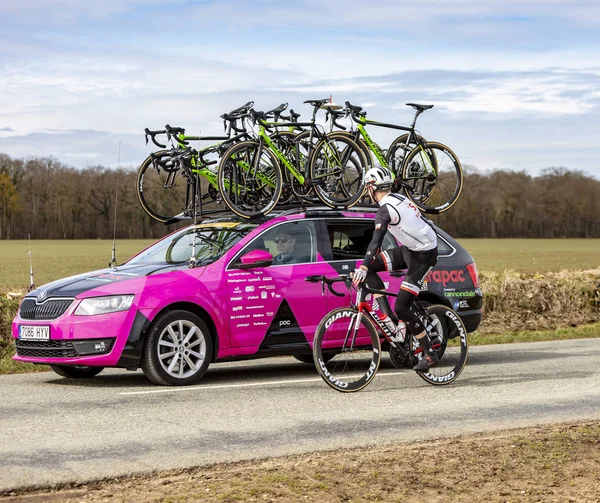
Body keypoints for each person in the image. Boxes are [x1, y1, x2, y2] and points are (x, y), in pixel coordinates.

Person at [352, 166, 439, 370]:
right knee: (372, 268)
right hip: (410, 249)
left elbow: (376, 240)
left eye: (367, 188)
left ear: (372, 188)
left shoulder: (385, 209)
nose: (367, 192)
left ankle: (429, 352)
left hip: (424, 257)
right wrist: (367, 266)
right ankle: (386, 314)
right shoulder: (397, 198)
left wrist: (362, 266)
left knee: (402, 306)